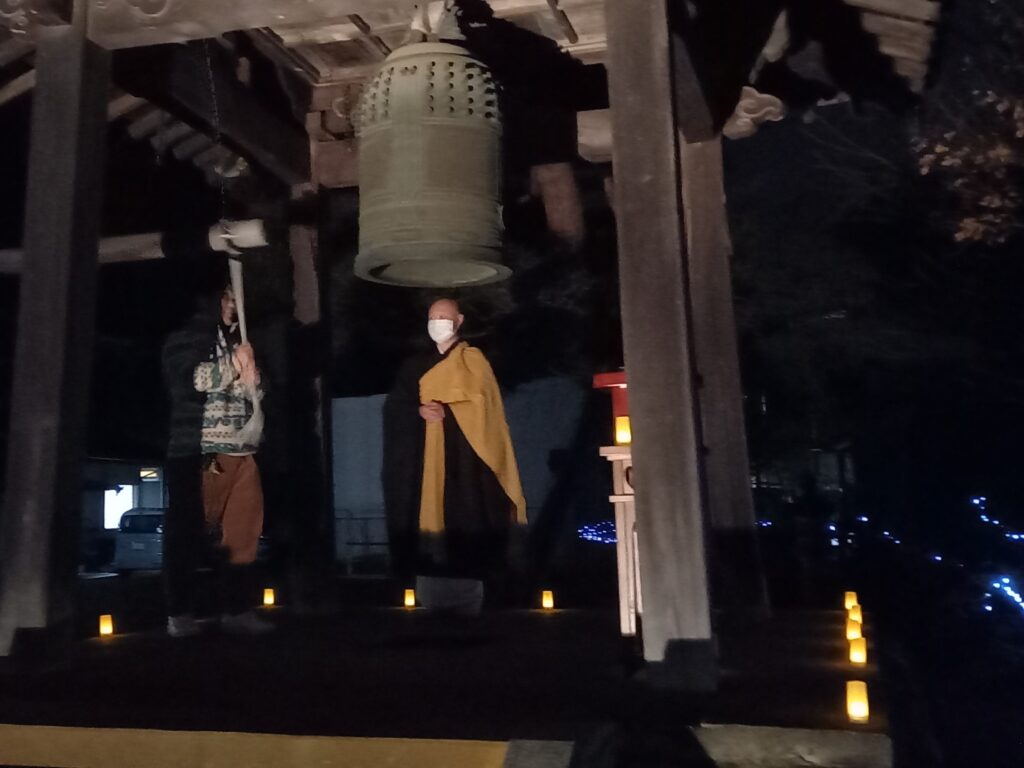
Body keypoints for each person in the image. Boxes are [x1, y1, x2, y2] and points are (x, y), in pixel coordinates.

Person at [383, 298, 526, 615]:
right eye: (433, 317)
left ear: (459, 321)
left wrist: (449, 409)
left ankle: (475, 595)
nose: (438, 322)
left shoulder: (473, 361)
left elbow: (485, 409)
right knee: (425, 521)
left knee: (467, 517)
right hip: (424, 459)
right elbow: (395, 408)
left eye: (444, 317)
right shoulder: (414, 365)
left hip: (466, 462)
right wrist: (418, 411)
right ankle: (428, 593)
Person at [163, 284, 272, 636]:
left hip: (243, 449)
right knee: (189, 533)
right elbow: (190, 380)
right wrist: (233, 364)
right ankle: (179, 612)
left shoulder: (239, 340)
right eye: (224, 297)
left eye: (234, 298)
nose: (231, 305)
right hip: (199, 451)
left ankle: (238, 609)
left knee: (242, 535)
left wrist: (254, 377)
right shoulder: (186, 339)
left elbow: (253, 389)